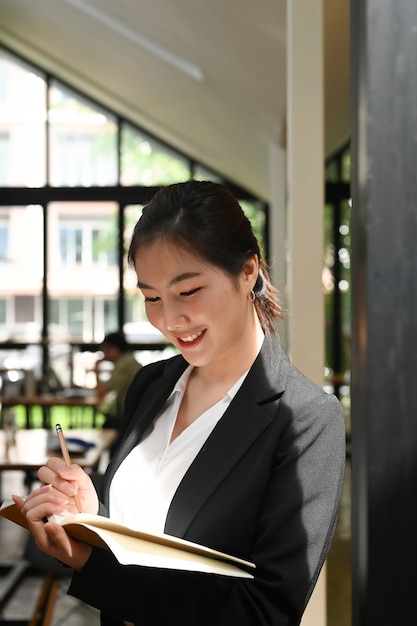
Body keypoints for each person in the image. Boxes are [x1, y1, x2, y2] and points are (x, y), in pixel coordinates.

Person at [13, 180, 346, 626]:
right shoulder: (152, 384)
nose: (169, 320)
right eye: (152, 297)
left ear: (248, 272)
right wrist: (93, 519)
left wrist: (90, 563)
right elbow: (150, 536)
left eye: (188, 292)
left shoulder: (305, 421)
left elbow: (264, 612)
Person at [94, 331, 142, 430]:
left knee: (107, 425)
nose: (103, 354)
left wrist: (96, 369)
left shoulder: (123, 365)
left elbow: (101, 391)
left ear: (114, 349)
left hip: (131, 417)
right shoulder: (129, 360)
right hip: (138, 413)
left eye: (105, 350)